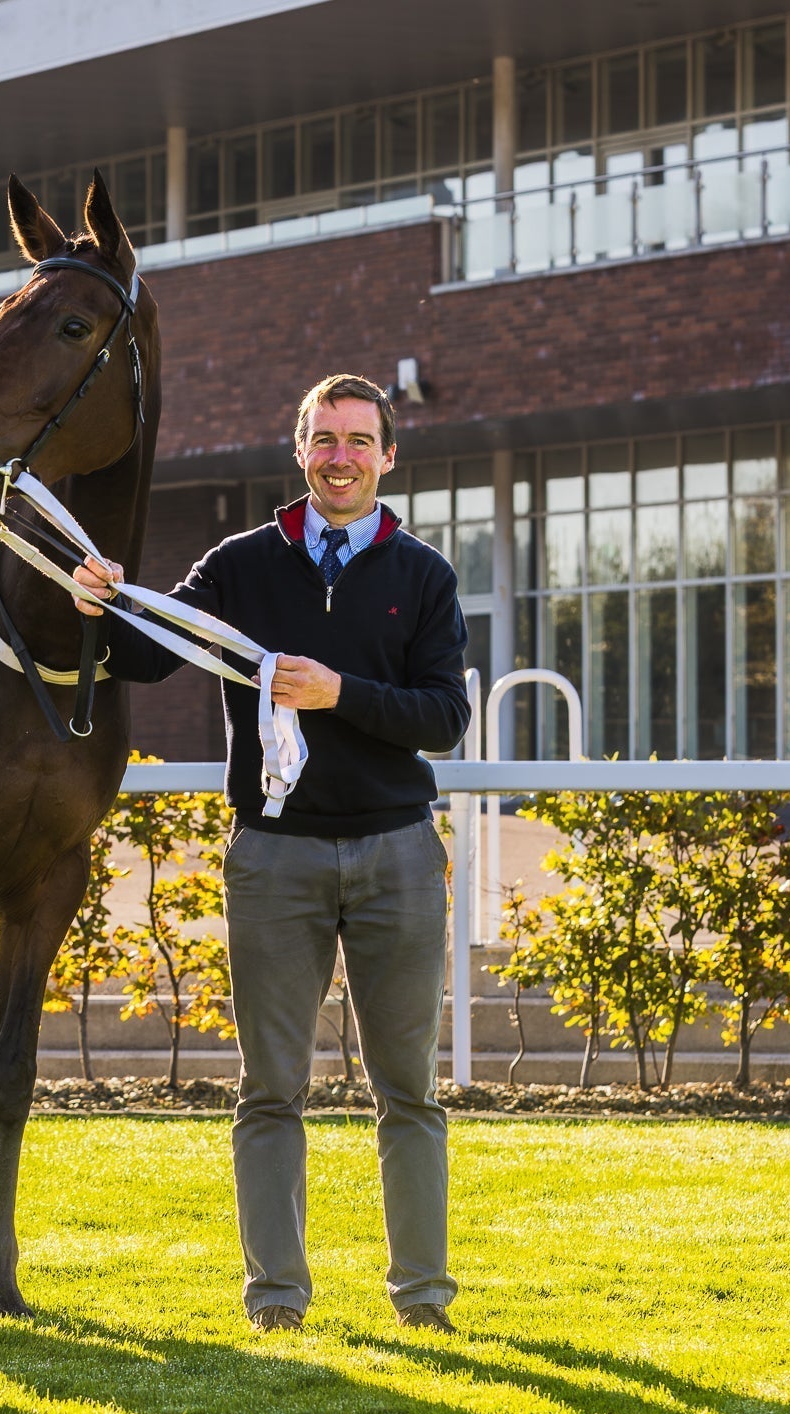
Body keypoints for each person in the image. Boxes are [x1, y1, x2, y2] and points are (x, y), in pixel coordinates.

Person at [72, 374, 470, 1335]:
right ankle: (276, 1300)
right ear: (299, 449)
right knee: (269, 1091)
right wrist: (98, 605)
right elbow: (153, 653)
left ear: (387, 457)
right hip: (274, 859)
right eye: (323, 438)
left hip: (398, 856)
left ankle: (422, 1299)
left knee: (408, 1091)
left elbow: (446, 719)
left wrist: (342, 694)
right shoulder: (242, 563)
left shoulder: (423, 575)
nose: (340, 456)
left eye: (358, 441)